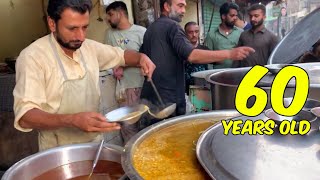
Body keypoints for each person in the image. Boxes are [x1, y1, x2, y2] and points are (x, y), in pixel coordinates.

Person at [13, 0, 155, 151]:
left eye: (84, 27)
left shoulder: (89, 47)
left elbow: (122, 56)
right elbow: (25, 117)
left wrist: (141, 58)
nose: (80, 36)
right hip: (58, 152)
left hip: (94, 145)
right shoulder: (33, 57)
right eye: (72, 28)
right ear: (52, 23)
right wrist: (72, 120)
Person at [139, 0, 254, 127]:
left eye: (185, 7)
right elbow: (192, 55)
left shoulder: (150, 29)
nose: (183, 11)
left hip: (150, 98)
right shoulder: (173, 26)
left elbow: (142, 58)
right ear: (166, 6)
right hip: (169, 101)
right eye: (180, 6)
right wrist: (230, 54)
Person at [105, 1, 147, 143]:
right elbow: (107, 58)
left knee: (146, 125)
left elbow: (147, 59)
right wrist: (114, 68)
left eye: (110, 14)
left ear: (120, 13)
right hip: (124, 89)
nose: (108, 19)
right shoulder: (109, 34)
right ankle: (130, 157)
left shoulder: (141, 32)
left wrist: (124, 65)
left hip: (143, 85)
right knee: (128, 127)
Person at [205, 2, 242, 69]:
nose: (235, 18)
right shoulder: (211, 34)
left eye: (236, 15)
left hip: (237, 74)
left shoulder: (241, 33)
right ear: (223, 16)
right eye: (232, 15)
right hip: (217, 75)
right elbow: (208, 58)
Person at [184, 21, 209, 95]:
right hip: (185, 89)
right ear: (185, 34)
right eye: (190, 32)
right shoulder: (181, 50)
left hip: (203, 87)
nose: (194, 35)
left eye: (196, 31)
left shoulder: (205, 49)